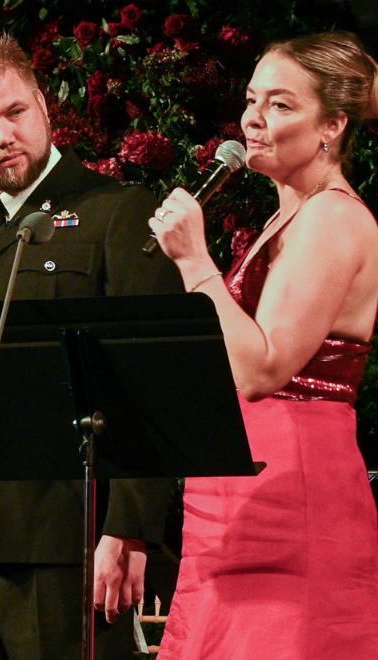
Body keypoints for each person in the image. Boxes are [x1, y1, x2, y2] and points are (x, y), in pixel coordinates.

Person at [0, 32, 184, 660]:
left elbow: (149, 380)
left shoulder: (116, 214)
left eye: (15, 113)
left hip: (69, 538)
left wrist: (128, 528)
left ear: (43, 106)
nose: (2, 135)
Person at [148, 31, 378, 659]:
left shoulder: (335, 217)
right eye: (252, 99)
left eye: (280, 104)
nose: (252, 119)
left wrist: (195, 262)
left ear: (331, 124)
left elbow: (262, 367)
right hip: (238, 491)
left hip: (291, 496)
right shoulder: (286, 218)